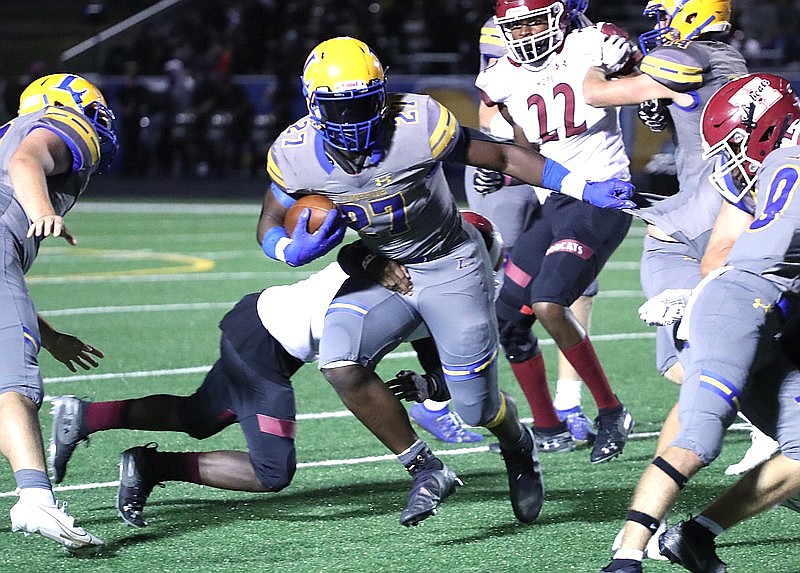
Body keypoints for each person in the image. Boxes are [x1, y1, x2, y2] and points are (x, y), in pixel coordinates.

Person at [257, 36, 635, 527]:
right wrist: (287, 249)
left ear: (382, 94)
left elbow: (500, 158)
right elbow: (270, 216)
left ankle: (518, 443)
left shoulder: (417, 124)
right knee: (340, 362)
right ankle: (424, 469)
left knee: (475, 409)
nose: (352, 120)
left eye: (363, 104)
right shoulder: (293, 152)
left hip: (450, 264)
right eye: (337, 107)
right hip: (385, 271)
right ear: (313, 104)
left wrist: (584, 186)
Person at [49, 216, 503, 527]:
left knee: (199, 418)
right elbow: (352, 255)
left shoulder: (433, 298)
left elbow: (451, 374)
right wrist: (374, 261)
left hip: (265, 330)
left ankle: (85, 417)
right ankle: (153, 464)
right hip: (264, 340)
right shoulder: (404, 268)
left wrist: (426, 384)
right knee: (271, 471)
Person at [583, 0, 774, 532]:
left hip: (716, 218)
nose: (659, 25)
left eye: (666, 13)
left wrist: (590, 58)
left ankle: (648, 513)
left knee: (704, 359)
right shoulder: (716, 58)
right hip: (688, 214)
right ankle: (768, 418)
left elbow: (595, 93)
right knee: (678, 366)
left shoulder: (698, 56)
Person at [601, 72, 800, 573]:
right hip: (738, 305)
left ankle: (694, 535)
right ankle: (626, 554)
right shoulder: (768, 167)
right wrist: (700, 300)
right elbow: (719, 257)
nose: (732, 157)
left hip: (781, 321)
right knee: (701, 434)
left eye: (736, 142)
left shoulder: (780, 164)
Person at [476, 0, 639, 463]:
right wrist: (506, 167)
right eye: (516, 25)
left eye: (533, 21)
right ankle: (548, 428)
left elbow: (645, 74)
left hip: (599, 199)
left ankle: (612, 411)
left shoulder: (592, 43)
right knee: (508, 317)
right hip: (554, 204)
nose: (526, 33)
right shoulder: (501, 77)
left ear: (557, 17)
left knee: (549, 302)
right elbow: (525, 142)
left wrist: (628, 60)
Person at [461, 4, 598, 448]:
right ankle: (444, 397)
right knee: (495, 284)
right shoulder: (512, 26)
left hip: (567, 168)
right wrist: (504, 162)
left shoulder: (586, 33)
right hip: (515, 164)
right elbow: (493, 112)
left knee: (577, 283)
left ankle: (569, 402)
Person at [0, 73, 118, 554]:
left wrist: (48, 335)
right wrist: (42, 209)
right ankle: (34, 497)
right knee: (13, 385)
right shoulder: (61, 123)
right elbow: (27, 158)